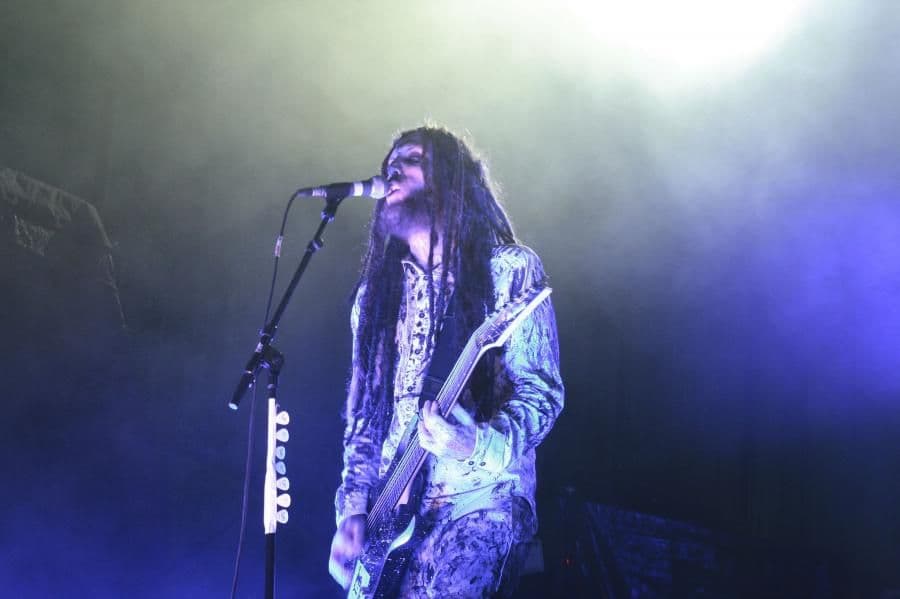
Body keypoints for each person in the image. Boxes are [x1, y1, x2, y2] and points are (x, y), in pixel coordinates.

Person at [328, 125, 564, 598]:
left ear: (452, 181)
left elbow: (542, 393)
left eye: (412, 159)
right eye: (389, 162)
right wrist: (353, 509)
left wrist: (476, 444)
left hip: (481, 501)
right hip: (392, 517)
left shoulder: (508, 271)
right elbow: (364, 420)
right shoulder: (374, 298)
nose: (392, 170)